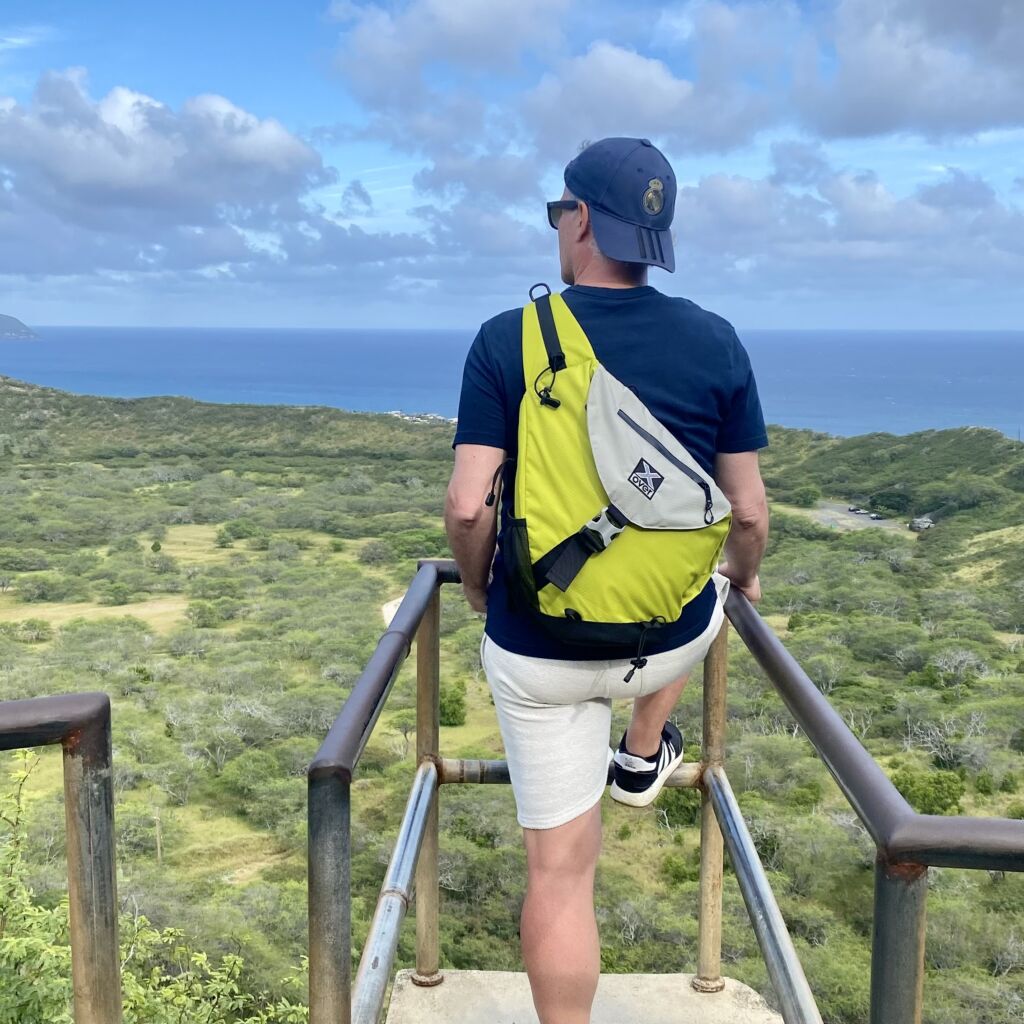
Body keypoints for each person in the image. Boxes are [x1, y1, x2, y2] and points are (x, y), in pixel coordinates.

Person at [444, 137, 769, 1024]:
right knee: (704, 604)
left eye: (561, 213)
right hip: (666, 641)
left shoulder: (507, 339)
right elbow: (747, 518)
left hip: (539, 651)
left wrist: (479, 589)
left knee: (559, 874)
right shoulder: (716, 340)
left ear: (579, 219)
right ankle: (641, 753)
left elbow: (470, 507)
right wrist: (741, 582)